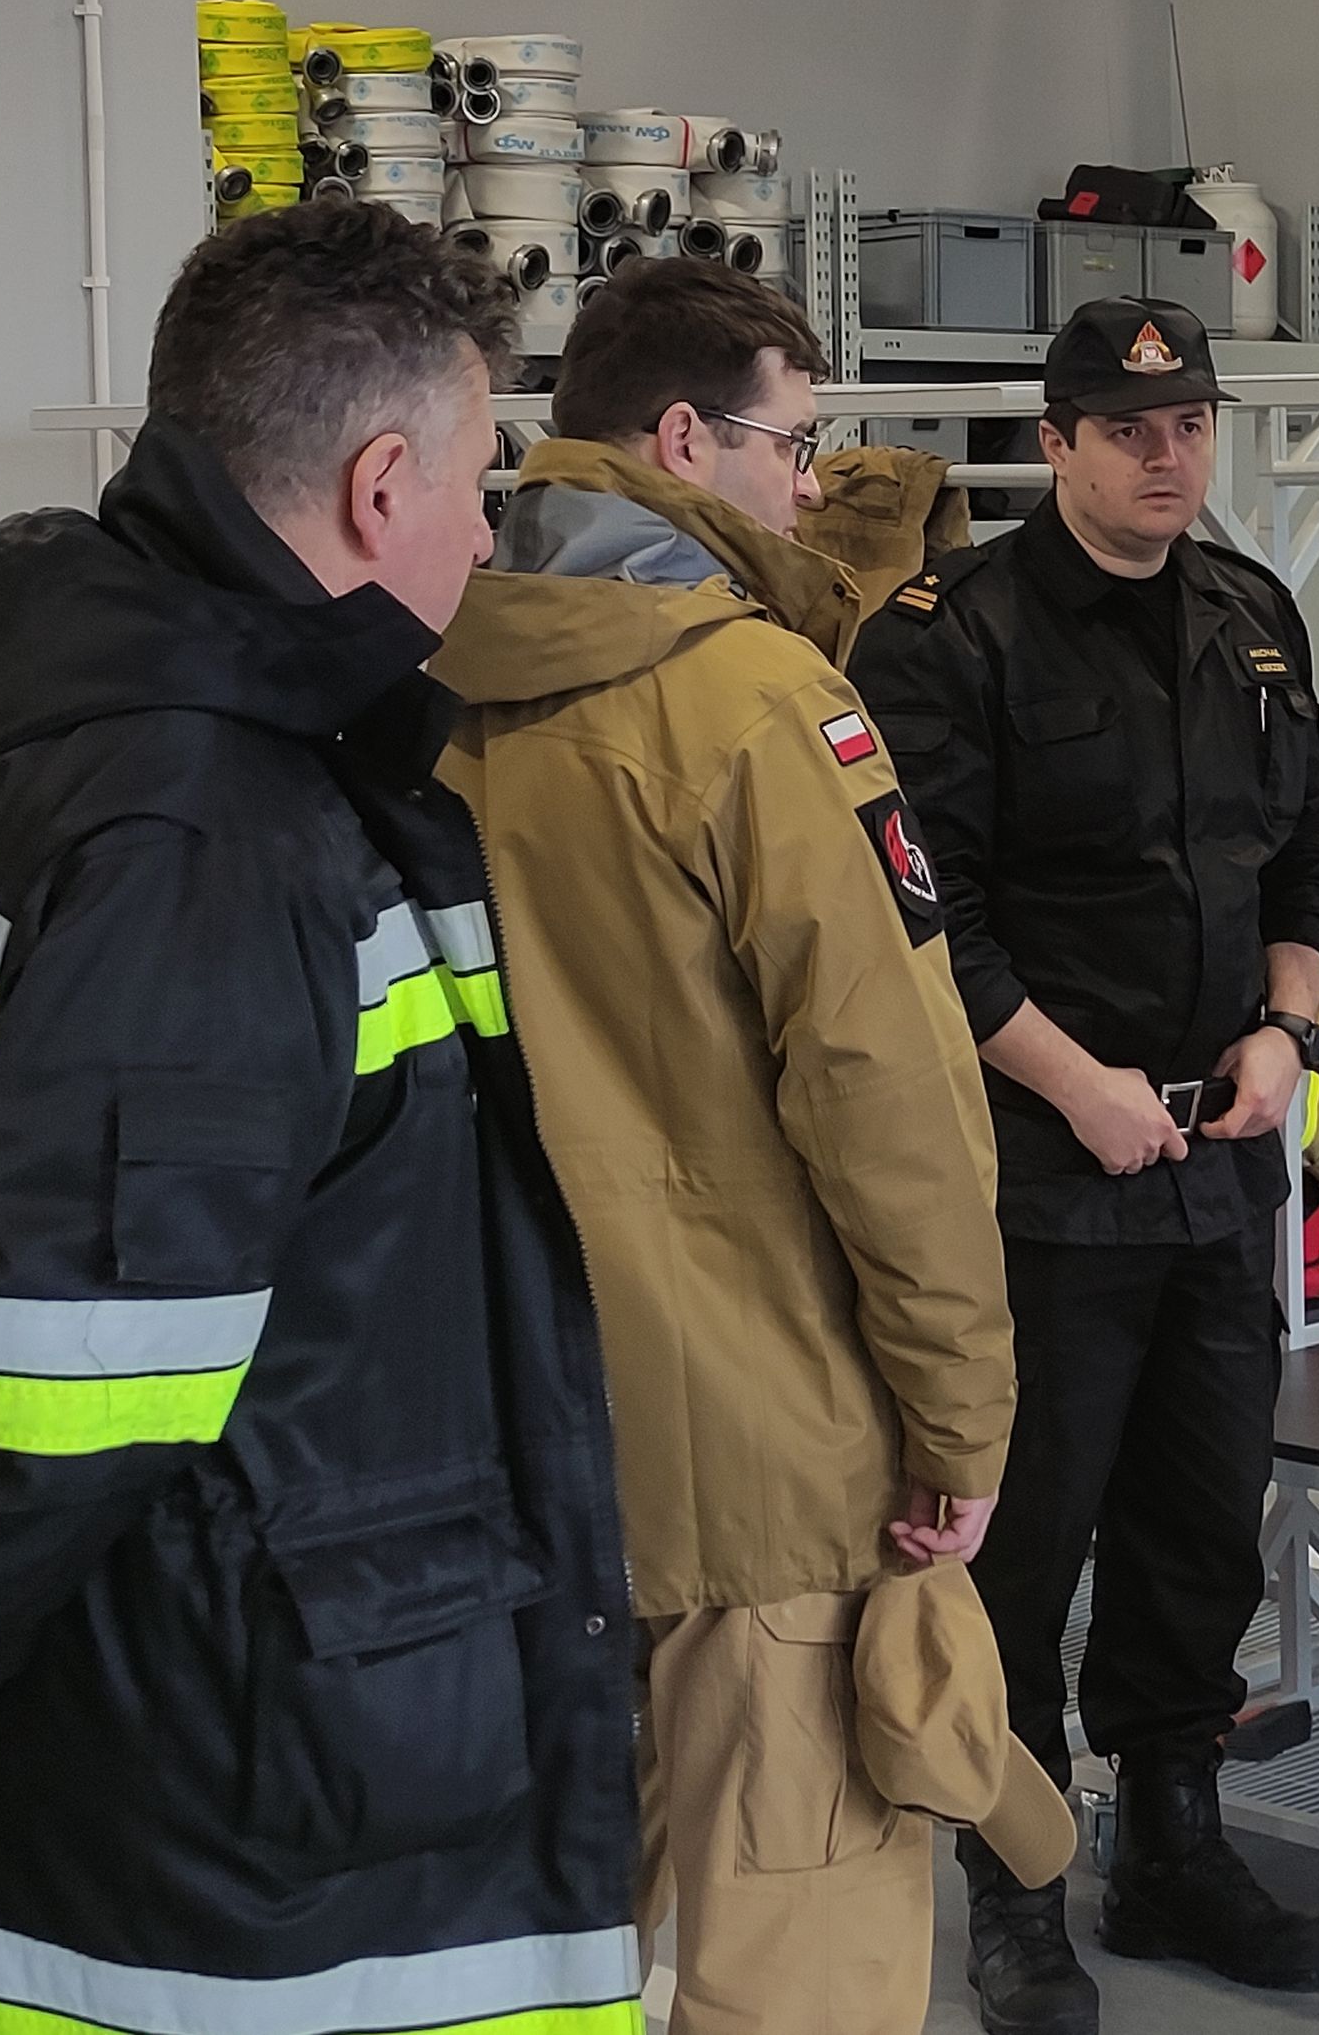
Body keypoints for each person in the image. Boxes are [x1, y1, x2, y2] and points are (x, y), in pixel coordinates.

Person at [0, 201, 647, 2035]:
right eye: (478, 478)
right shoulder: (207, 832)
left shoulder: (45, 714)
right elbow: (67, 1360)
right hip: (243, 1815)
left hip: (121, 1729)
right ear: (380, 487)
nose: (486, 529)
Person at [431, 255, 1019, 2035]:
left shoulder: (423, 683)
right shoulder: (756, 702)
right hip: (765, 1435)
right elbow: (888, 1095)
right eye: (793, 445)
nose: (812, 488)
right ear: (685, 442)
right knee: (801, 1952)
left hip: (504, 1413)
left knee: (531, 1948)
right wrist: (959, 1413)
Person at [849, 297, 1319, 2031]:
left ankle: (1172, 1848)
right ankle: (1013, 1881)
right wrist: (1078, 1091)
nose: (1166, 456)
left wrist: (1285, 1028)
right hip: (1040, 1174)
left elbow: (1307, 857)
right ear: (1055, 441)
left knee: (1199, 1522)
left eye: (1189, 424)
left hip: (1216, 1159)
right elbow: (925, 922)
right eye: (1127, 429)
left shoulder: (1250, 616)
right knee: (1024, 1541)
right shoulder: (945, 638)